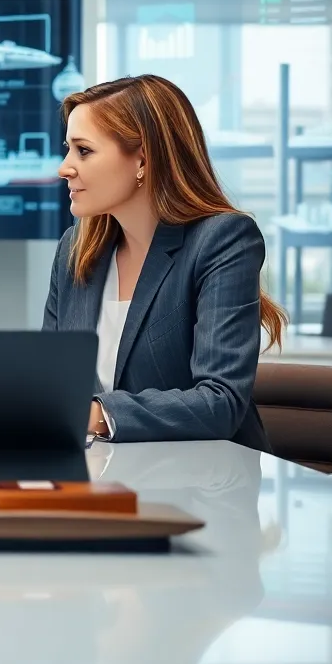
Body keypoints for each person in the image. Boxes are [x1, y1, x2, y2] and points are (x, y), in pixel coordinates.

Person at [43, 73, 285, 450]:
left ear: (143, 157)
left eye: (83, 150)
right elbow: (52, 384)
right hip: (100, 478)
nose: (64, 167)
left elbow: (220, 402)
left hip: (204, 489)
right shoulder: (75, 248)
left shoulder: (222, 240)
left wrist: (93, 414)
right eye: (67, 149)